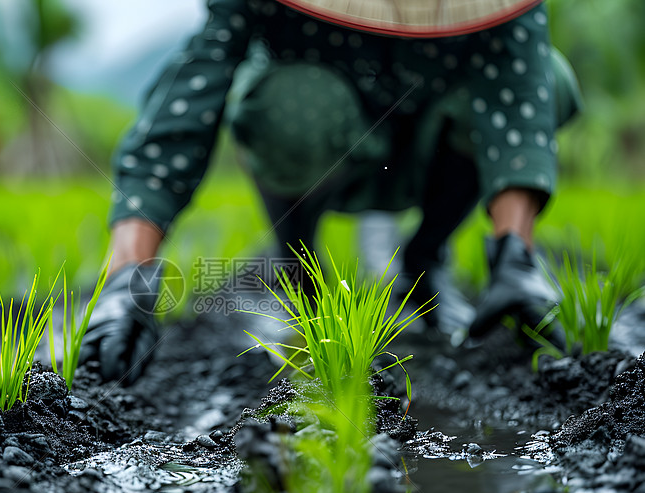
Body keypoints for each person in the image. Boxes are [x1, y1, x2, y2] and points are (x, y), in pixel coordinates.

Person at [80, 0, 582, 384]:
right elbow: (186, 101)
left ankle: (425, 259)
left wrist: (516, 254)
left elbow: (521, 90)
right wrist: (128, 276)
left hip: (431, 153)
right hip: (322, 147)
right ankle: (297, 263)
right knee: (291, 105)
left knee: (550, 78)